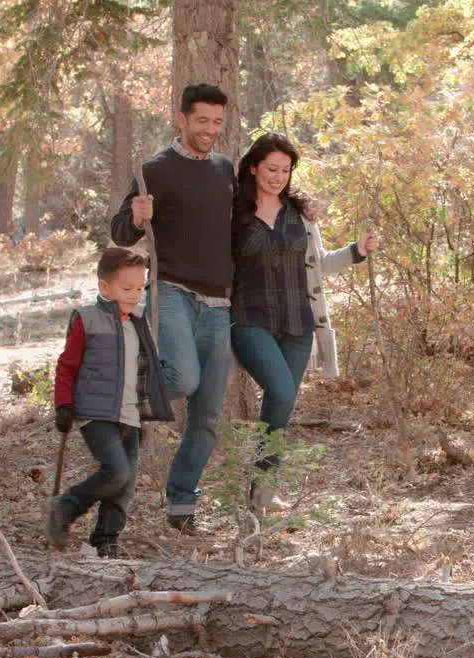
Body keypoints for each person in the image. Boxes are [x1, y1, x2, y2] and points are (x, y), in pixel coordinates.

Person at [110, 84, 236, 533]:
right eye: (202, 120)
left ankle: (181, 506)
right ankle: (125, 398)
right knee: (182, 377)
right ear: (181, 119)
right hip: (175, 292)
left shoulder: (225, 170)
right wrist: (138, 217)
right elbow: (121, 234)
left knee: (207, 415)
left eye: (218, 122)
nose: (210, 130)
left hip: (220, 303)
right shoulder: (155, 171)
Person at [230, 133, 378, 508]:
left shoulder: (301, 216)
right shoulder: (234, 213)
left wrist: (356, 252)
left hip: (298, 323)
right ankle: (260, 482)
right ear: (253, 167)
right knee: (279, 391)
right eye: (271, 169)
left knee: (281, 405)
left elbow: (319, 264)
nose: (278, 177)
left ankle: (262, 491)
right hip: (250, 320)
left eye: (285, 170)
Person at [48, 247, 173, 558]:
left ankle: (105, 539)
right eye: (126, 288)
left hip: (129, 416)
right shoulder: (87, 320)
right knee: (116, 471)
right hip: (96, 412)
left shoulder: (138, 323)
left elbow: (139, 375)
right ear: (105, 287)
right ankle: (65, 507)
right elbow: (67, 366)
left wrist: (142, 417)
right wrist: (63, 405)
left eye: (138, 288)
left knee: (126, 484)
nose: (134, 295)